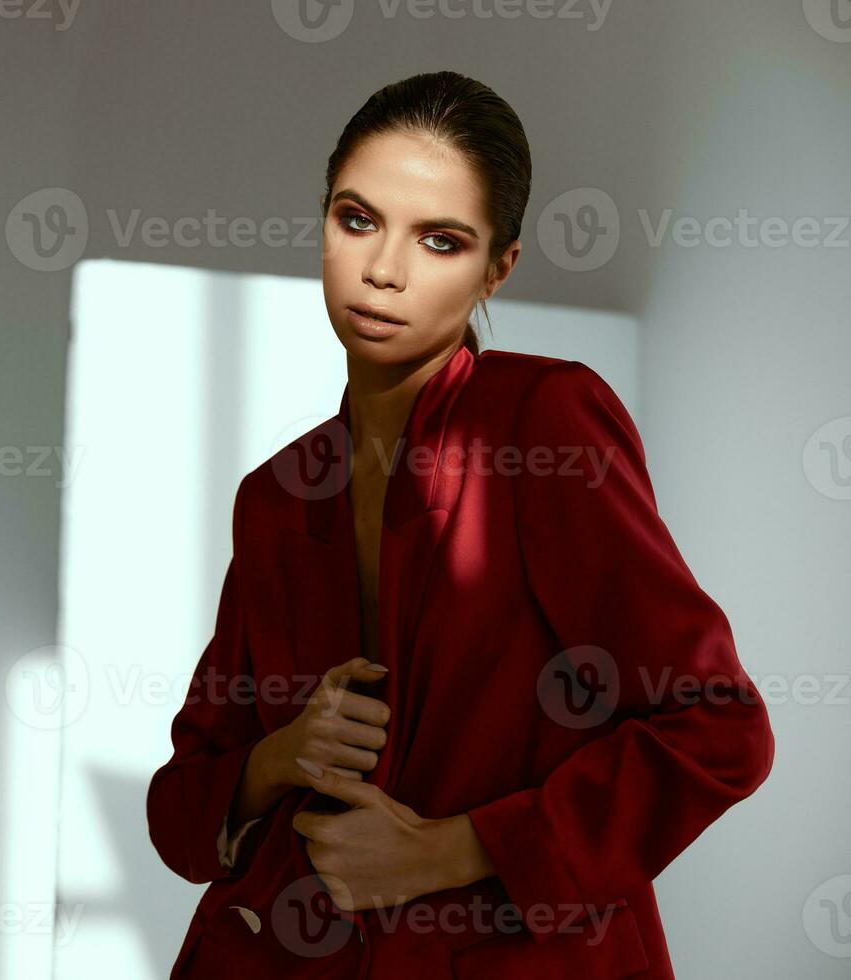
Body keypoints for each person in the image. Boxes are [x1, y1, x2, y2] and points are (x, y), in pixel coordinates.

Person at [146, 70, 774, 979]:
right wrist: (280, 757)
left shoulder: (544, 425)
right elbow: (180, 815)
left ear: (498, 267)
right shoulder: (276, 496)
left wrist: (450, 850)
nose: (383, 271)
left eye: (440, 240)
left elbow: (718, 727)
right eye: (356, 219)